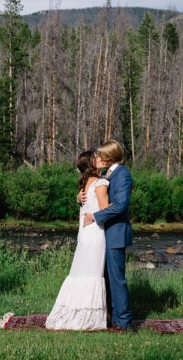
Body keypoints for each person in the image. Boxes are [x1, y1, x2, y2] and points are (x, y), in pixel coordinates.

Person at [45, 151, 109, 330]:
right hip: (95, 233)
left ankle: (75, 313)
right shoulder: (101, 183)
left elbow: (88, 204)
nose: (101, 159)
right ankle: (88, 318)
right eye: (97, 157)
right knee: (92, 273)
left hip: (84, 234)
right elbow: (105, 210)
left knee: (81, 272)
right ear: (90, 164)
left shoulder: (85, 184)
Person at [82, 140, 134, 331]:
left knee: (117, 279)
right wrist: (79, 197)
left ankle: (124, 321)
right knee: (105, 277)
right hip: (105, 233)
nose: (98, 157)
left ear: (110, 156)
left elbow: (120, 205)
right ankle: (110, 316)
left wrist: (95, 216)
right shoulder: (107, 174)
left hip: (116, 233)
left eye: (101, 154)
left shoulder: (123, 175)